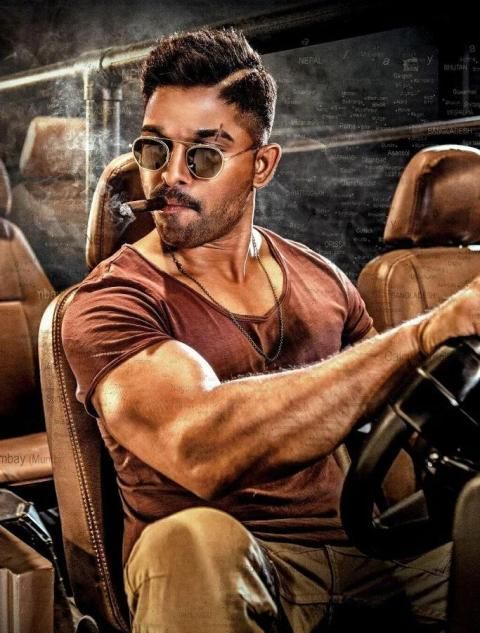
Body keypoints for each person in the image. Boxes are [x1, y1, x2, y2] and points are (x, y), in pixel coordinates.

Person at [62, 27, 479, 633]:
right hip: (239, 566)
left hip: (365, 554)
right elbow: (200, 448)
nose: (171, 175)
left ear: (262, 165)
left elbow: (394, 442)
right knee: (189, 540)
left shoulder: (325, 281)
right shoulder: (110, 301)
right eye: (155, 149)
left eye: (203, 156)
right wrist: (418, 337)